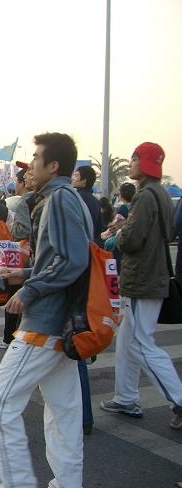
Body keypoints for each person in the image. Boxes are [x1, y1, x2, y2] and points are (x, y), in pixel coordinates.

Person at [0, 132, 91, 488]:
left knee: (0, 404)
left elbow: (72, 261)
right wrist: (24, 273)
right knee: (64, 413)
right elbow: (63, 260)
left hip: (45, 324)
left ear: (53, 165)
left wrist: (30, 290)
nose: (30, 166)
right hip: (62, 325)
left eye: (35, 158)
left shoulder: (59, 199)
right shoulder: (68, 198)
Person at [100, 142, 182, 430]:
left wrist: (117, 237)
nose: (131, 164)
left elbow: (134, 240)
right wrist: (126, 228)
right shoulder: (161, 194)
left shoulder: (145, 196)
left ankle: (179, 399)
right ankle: (126, 397)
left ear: (142, 163)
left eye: (134, 159)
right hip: (152, 275)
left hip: (142, 278)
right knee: (128, 340)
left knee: (141, 342)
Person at [0, 165, 38, 350]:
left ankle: (12, 338)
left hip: (25, 255)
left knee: (16, 295)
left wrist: (12, 227)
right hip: (34, 259)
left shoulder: (25, 202)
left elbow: (22, 231)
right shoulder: (52, 198)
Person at [71, 165, 103, 245]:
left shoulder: (76, 198)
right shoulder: (96, 201)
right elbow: (100, 227)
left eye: (76, 176)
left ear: (83, 181)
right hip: (92, 244)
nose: (73, 178)